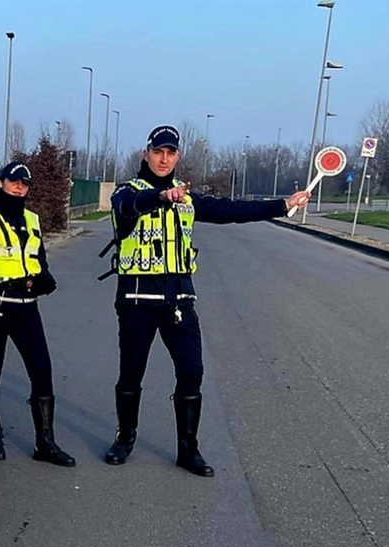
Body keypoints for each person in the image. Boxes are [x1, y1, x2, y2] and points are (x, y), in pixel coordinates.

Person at [99, 125, 311, 476]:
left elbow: (231, 210)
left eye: (171, 152)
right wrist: (160, 197)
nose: (164, 158)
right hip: (137, 300)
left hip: (179, 302)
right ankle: (125, 437)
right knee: (131, 373)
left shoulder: (187, 198)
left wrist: (283, 205)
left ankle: (188, 449)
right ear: (146, 153)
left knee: (192, 373)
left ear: (178, 156)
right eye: (158, 152)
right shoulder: (127, 192)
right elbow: (129, 207)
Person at [0, 161, 75, 467]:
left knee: (42, 372)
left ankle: (45, 443)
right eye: (13, 181)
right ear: (0, 182)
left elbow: (39, 261)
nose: (19, 187)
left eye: (24, 183)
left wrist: (43, 280)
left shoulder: (33, 220)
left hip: (27, 309)